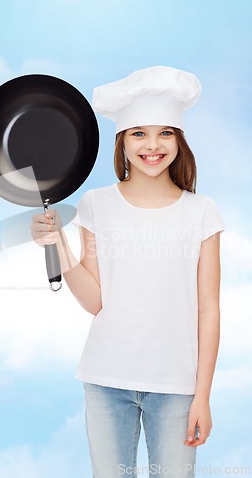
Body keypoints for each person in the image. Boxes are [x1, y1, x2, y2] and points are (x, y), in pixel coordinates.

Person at [30, 66, 224, 477]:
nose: (152, 145)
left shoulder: (201, 212)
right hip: (105, 379)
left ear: (179, 140)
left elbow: (208, 309)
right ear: (121, 141)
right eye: (139, 133)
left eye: (165, 133)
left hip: (176, 387)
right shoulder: (97, 205)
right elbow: (96, 301)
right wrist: (58, 244)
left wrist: (202, 395)